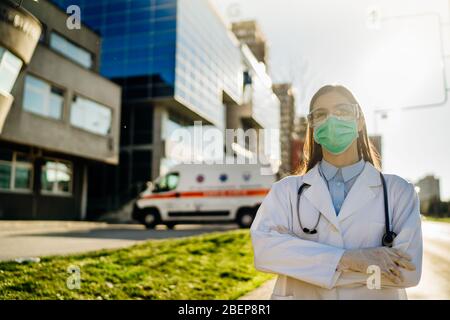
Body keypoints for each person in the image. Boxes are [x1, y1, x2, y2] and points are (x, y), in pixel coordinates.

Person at [250, 84, 423, 300]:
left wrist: (306, 267)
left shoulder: (398, 192)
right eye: (321, 114)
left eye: (342, 111)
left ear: (359, 121)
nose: (331, 120)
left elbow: (408, 272)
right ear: (312, 127)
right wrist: (349, 259)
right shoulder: (286, 191)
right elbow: (266, 252)